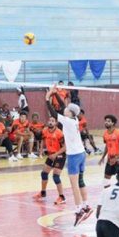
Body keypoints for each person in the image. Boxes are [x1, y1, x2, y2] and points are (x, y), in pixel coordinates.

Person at [46, 85, 92, 226]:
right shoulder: (75, 119)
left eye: (67, 109)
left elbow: (54, 113)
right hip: (82, 154)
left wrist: (47, 99)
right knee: (80, 181)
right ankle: (86, 206)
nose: (64, 108)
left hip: (73, 156)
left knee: (74, 185)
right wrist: (55, 94)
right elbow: (63, 106)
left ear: (70, 113)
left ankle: (79, 210)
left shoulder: (66, 120)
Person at [33, 116, 66, 205]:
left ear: (56, 123)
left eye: (52, 121)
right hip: (51, 155)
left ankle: (62, 197)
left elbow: (65, 147)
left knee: (55, 176)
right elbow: (43, 139)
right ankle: (43, 193)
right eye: (49, 120)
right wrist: (41, 149)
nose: (50, 122)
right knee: (44, 173)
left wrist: (56, 154)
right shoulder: (45, 130)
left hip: (59, 155)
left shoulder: (59, 133)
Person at [99, 115, 119, 188]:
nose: (106, 122)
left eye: (108, 121)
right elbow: (107, 146)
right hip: (110, 159)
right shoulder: (105, 134)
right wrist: (103, 157)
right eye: (105, 121)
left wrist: (116, 158)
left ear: (113, 123)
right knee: (106, 179)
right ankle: (107, 193)